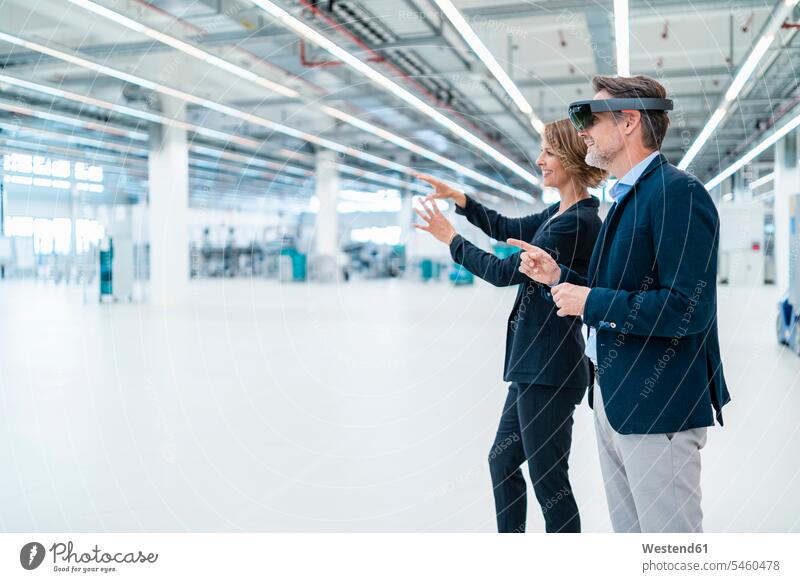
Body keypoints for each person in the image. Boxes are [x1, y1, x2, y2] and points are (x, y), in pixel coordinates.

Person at [511, 75, 730, 533]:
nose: (583, 130)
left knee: (671, 552)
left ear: (629, 122)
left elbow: (687, 309)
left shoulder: (676, 193)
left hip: (658, 407)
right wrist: (559, 277)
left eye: (591, 117)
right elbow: (614, 287)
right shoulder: (626, 197)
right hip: (615, 398)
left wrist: (590, 301)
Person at [413, 119, 605, 533]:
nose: (540, 161)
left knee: (549, 479)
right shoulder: (560, 213)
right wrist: (461, 199)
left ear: (572, 158)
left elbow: (503, 272)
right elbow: (508, 228)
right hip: (531, 365)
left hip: (550, 369)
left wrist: (452, 240)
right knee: (502, 462)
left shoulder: (578, 223)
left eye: (549, 153)